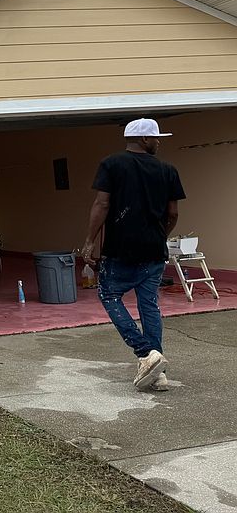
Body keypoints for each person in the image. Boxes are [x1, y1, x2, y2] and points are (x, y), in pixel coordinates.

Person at [81, 118, 185, 392]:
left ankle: (146, 353)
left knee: (109, 295)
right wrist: (160, 236)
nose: (159, 142)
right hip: (154, 251)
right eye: (156, 137)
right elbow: (173, 213)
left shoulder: (111, 164)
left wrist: (89, 241)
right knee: (148, 305)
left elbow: (102, 204)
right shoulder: (168, 170)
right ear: (143, 139)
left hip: (120, 249)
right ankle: (158, 374)